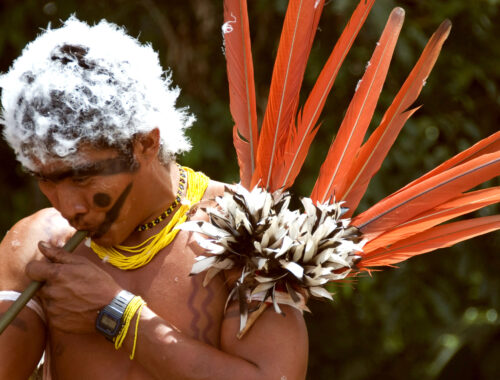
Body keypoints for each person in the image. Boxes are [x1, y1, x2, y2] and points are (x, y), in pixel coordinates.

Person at [0, 17, 308, 380]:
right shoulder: (40, 245)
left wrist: (117, 315)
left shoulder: (244, 233)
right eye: (46, 180)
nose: (68, 207)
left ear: (146, 142)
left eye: (82, 176)